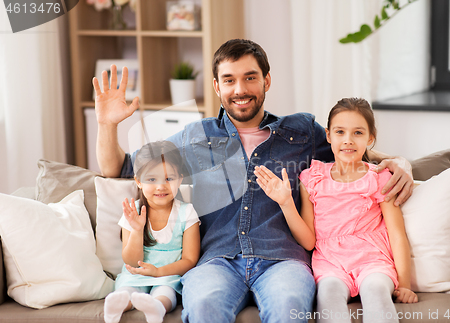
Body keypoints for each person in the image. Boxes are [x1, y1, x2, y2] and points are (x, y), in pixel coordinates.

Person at [93, 39, 414, 322]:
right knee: (203, 306)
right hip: (217, 260)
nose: (240, 89)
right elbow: (121, 167)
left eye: (250, 78)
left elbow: (351, 150)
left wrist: (399, 164)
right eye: (229, 80)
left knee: (290, 307)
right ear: (217, 87)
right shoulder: (196, 136)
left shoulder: (301, 132)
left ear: (267, 81)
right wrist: (107, 125)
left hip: (283, 260)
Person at [254, 97, 418, 323]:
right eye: (340, 132)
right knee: (328, 297)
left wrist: (405, 284)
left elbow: (397, 234)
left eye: (358, 133)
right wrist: (285, 203)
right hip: (331, 263)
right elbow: (309, 241)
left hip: (373, 260)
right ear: (328, 135)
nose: (348, 140)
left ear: (370, 138)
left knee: (376, 290)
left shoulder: (380, 177)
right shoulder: (312, 178)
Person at [103, 141, 200, 323]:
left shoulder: (187, 212)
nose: (161, 186)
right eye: (152, 179)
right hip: (136, 275)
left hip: (167, 275)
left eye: (169, 179)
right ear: (138, 181)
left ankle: (156, 308)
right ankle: (117, 307)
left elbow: (190, 260)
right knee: (127, 291)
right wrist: (138, 230)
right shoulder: (133, 212)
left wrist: (158, 272)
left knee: (165, 292)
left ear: (179, 180)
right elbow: (131, 260)